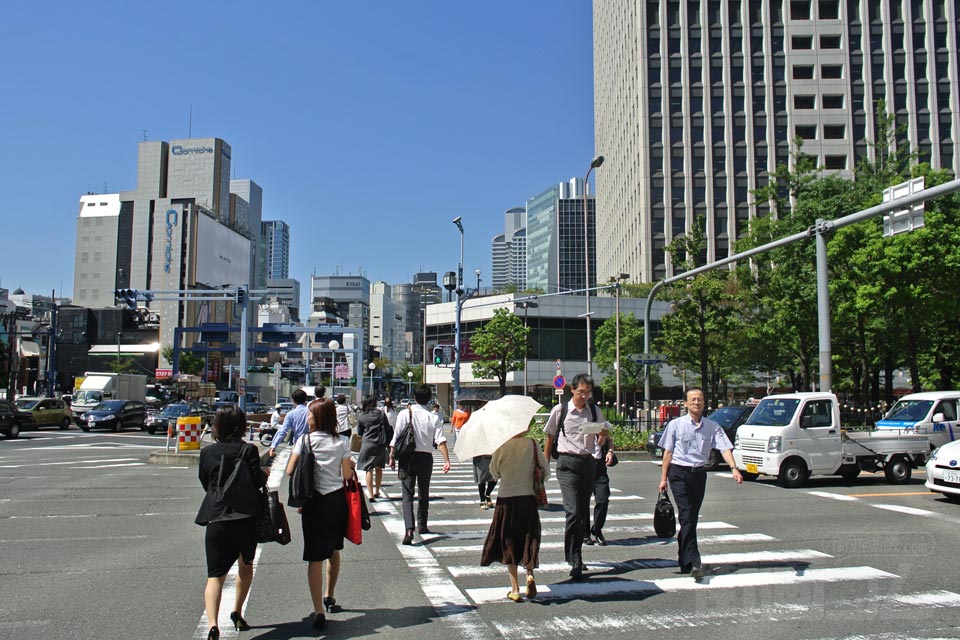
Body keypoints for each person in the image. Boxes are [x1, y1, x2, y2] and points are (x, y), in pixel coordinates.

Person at [195, 406, 268, 640]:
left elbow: (206, 482)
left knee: (215, 575)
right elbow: (257, 480)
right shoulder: (249, 450)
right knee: (246, 565)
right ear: (241, 425)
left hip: (217, 517)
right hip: (245, 518)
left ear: (218, 426)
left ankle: (213, 625)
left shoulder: (208, 453)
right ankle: (237, 611)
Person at [658, 387, 743, 580]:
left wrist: (734, 468)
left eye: (700, 399)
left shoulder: (712, 426)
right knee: (687, 515)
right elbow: (668, 453)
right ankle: (695, 561)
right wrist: (663, 479)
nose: (697, 402)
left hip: (699, 474)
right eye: (693, 400)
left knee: (691, 518)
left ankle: (684, 559)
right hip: (678, 473)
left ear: (704, 403)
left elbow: (725, 448)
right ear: (686, 404)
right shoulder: (676, 425)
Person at [286, 399, 355, 631]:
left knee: (314, 557)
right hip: (335, 502)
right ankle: (330, 593)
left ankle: (318, 610)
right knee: (333, 551)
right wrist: (349, 465)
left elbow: (289, 470)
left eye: (309, 415)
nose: (307, 418)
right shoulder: (342, 441)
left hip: (313, 503)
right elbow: (346, 476)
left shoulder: (303, 440)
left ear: (315, 418)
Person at [543, 373, 610, 580]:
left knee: (581, 513)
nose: (584, 396)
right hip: (566, 464)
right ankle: (573, 556)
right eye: (581, 392)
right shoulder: (560, 410)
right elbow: (549, 438)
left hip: (587, 463)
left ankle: (577, 555)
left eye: (588, 392)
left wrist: (603, 436)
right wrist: (544, 467)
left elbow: (601, 438)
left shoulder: (594, 411)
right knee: (571, 511)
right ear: (572, 390)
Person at [481, 429, 550, 602]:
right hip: (528, 498)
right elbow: (546, 471)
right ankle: (529, 574)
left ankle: (515, 589)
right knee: (528, 536)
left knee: (508, 540)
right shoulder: (532, 444)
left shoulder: (502, 446)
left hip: (506, 500)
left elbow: (494, 473)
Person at [388, 384, 451, 545]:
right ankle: (422, 525)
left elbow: (396, 437)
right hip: (425, 458)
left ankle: (409, 529)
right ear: (429, 399)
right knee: (424, 492)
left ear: (414, 397)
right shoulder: (433, 417)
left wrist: (391, 456)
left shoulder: (404, 413)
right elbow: (440, 440)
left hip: (407, 458)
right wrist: (446, 460)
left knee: (407, 494)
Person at [356, 395, 392, 501]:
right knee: (379, 468)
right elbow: (387, 427)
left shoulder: (362, 415)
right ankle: (377, 491)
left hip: (367, 443)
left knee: (369, 469)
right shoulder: (380, 413)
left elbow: (359, 432)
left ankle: (371, 495)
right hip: (380, 443)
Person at [585, 439, 616, 546]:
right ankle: (585, 533)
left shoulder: (598, 423)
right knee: (583, 501)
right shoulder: (578, 423)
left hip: (599, 467)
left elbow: (609, 439)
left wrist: (610, 452)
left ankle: (597, 529)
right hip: (583, 464)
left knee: (603, 499)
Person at [268, 389, 309, 458]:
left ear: (293, 400)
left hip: (298, 445)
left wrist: (273, 446)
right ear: (305, 399)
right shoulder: (311, 411)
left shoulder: (290, 414)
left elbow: (282, 431)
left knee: (295, 466)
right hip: (311, 445)